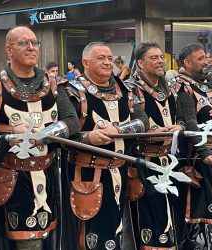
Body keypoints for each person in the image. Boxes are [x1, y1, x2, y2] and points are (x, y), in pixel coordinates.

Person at [0, 26, 80, 250]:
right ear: (9, 49)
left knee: (52, 240)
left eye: (34, 43)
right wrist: (12, 134)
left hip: (50, 175)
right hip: (10, 178)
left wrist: (44, 135)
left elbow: (72, 121)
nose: (31, 47)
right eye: (23, 43)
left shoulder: (53, 83)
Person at [62, 41, 148, 250]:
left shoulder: (125, 88)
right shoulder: (70, 90)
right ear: (85, 62)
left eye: (110, 58)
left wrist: (119, 131)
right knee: (90, 235)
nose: (108, 63)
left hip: (123, 169)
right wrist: (87, 138)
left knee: (119, 231)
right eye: (101, 58)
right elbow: (65, 135)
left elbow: (143, 122)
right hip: (87, 174)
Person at [175, 43, 212, 249]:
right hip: (202, 152)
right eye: (200, 58)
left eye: (206, 58)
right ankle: (209, 245)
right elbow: (190, 122)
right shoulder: (183, 87)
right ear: (187, 62)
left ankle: (195, 241)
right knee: (204, 201)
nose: (206, 61)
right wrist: (203, 150)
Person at [128, 41, 184, 249]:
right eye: (154, 58)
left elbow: (186, 117)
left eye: (161, 57)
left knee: (172, 214)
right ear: (140, 63)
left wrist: (181, 125)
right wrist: (153, 131)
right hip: (146, 162)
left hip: (171, 159)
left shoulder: (171, 88)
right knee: (151, 218)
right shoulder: (130, 89)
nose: (160, 61)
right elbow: (138, 121)